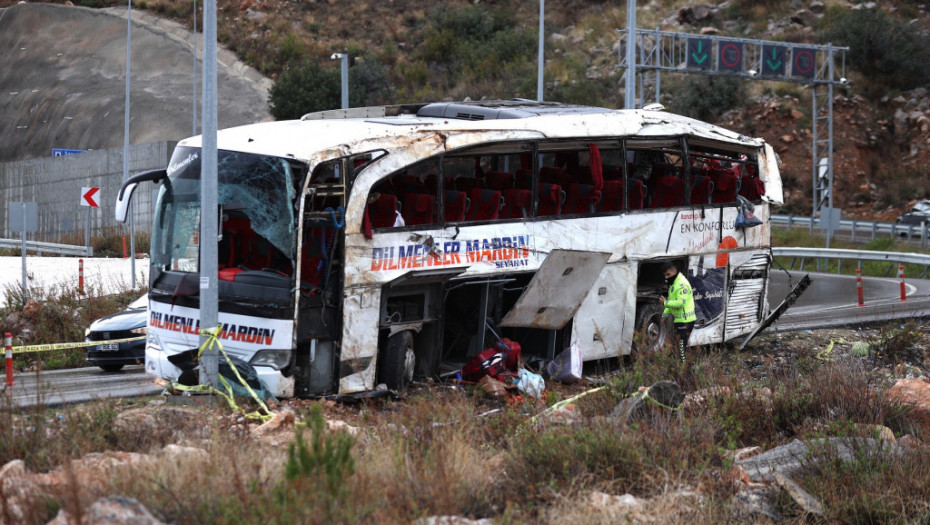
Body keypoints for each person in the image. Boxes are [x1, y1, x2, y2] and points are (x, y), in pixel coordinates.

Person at [659, 261, 696, 362]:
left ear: (674, 271)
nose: (666, 277)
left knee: (681, 347)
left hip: (685, 320)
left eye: (668, 274)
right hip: (680, 320)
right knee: (678, 345)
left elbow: (680, 303)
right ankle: (681, 367)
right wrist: (665, 315)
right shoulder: (673, 283)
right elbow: (672, 300)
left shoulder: (682, 284)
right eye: (665, 275)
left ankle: (684, 368)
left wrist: (665, 303)